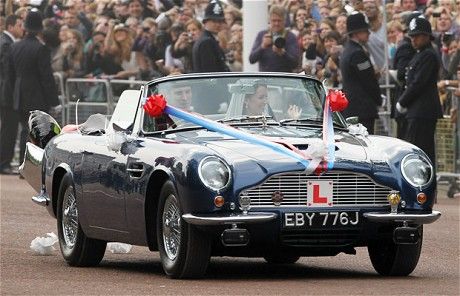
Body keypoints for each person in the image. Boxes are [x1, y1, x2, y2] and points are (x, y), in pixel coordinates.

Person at [8, 9, 60, 165]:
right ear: (40, 28)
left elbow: (10, 75)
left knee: (26, 129)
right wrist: (54, 101)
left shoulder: (15, 47)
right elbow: (46, 77)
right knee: (35, 132)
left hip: (19, 95)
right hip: (36, 96)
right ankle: (31, 165)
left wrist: (15, 93)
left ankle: (24, 164)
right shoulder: (41, 48)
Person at [396, 16, 443, 163]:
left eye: (417, 36)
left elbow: (418, 83)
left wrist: (402, 102)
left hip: (423, 110)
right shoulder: (421, 54)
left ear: (427, 36)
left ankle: (424, 183)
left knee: (420, 151)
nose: (413, 40)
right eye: (411, 36)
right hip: (418, 110)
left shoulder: (428, 55)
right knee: (418, 150)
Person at [340, 12, 382, 134]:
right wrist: (378, 99)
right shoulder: (357, 53)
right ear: (357, 33)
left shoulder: (349, 50)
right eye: (365, 31)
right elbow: (368, 81)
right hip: (362, 109)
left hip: (353, 108)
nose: (369, 33)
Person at [0, 15, 23, 175]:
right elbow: (8, 72)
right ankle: (4, 163)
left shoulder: (6, 42)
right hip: (7, 94)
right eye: (19, 25)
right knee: (9, 130)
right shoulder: (6, 44)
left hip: (6, 92)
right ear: (10, 26)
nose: (22, 28)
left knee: (8, 129)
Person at [249, 5, 300, 72]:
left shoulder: (290, 37)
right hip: (265, 80)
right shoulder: (262, 35)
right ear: (269, 20)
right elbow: (251, 59)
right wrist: (262, 46)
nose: (276, 23)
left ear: (284, 21)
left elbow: (295, 64)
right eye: (274, 20)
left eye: (279, 20)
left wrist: (283, 53)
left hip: (283, 79)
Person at [192, 0, 230, 72]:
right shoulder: (207, 42)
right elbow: (210, 73)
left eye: (220, 21)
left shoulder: (207, 39)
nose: (218, 24)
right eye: (214, 21)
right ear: (205, 22)